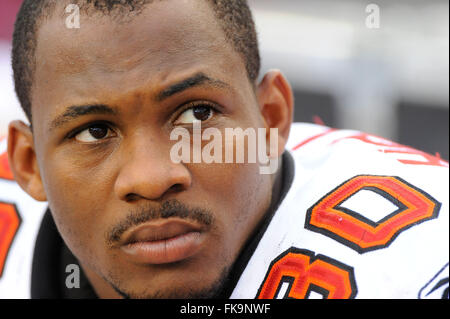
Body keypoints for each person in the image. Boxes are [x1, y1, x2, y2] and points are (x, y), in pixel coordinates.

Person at [0, 0, 448, 299]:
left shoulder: (416, 268)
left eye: (197, 115)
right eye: (94, 132)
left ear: (271, 118)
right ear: (29, 163)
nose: (153, 176)